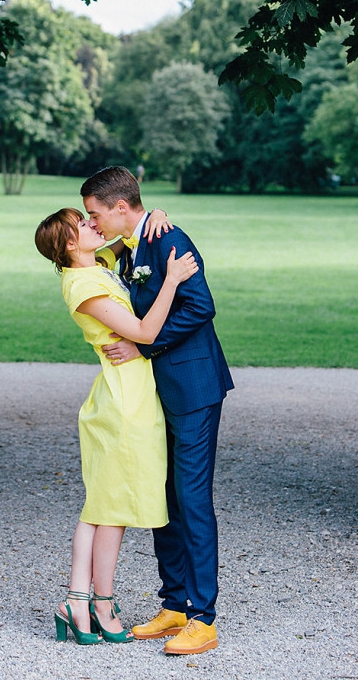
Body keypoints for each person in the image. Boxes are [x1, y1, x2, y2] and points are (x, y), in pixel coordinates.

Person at [80, 166, 234, 656]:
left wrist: (144, 346)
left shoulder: (169, 238)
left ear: (120, 207)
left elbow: (200, 307)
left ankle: (203, 618)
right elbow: (80, 254)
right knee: (162, 496)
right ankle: (174, 604)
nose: (93, 222)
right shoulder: (128, 244)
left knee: (191, 498)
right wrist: (152, 211)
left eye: (95, 213)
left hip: (192, 386)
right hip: (157, 394)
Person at [34, 207, 199, 646]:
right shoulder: (83, 285)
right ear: (69, 245)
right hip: (123, 401)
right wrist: (172, 278)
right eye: (82, 224)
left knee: (104, 506)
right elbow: (145, 332)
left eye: (89, 217)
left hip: (130, 392)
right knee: (112, 510)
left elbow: (126, 235)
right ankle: (98, 603)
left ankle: (77, 600)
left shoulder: (96, 265)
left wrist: (151, 215)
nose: (93, 225)